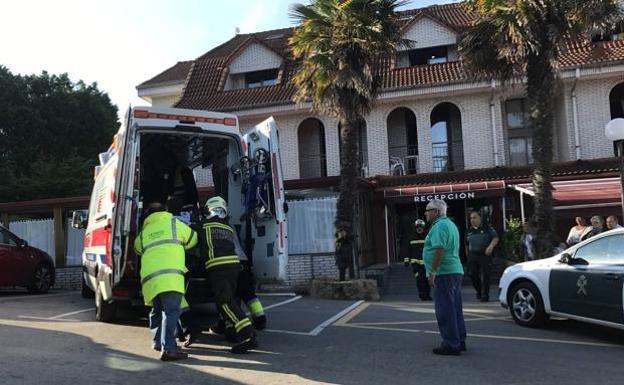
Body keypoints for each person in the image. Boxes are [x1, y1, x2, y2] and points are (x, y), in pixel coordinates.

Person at [134, 202, 198, 361]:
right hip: (170, 277)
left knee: (156, 310)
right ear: (166, 211)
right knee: (171, 312)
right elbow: (193, 239)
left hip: (150, 280)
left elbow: (137, 249)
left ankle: (157, 342)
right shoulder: (175, 224)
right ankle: (169, 349)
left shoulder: (144, 232)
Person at [198, 196, 258, 354]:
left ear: (208, 210)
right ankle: (232, 331)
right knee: (231, 300)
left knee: (224, 303)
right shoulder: (228, 227)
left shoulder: (203, 225)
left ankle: (248, 335)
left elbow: (191, 242)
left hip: (218, 267)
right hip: (233, 267)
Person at [423, 199, 466, 356]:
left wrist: (433, 271)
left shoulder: (440, 226)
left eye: (428, 210)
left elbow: (439, 250)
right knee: (455, 308)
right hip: (454, 270)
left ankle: (450, 344)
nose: (426, 213)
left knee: (445, 310)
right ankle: (459, 340)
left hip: (444, 272)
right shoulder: (450, 224)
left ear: (437, 212)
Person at [465, 211, 499, 302]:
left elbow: (495, 238)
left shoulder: (487, 228)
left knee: (485, 276)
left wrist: (491, 246)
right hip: (473, 255)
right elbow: (466, 244)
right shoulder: (469, 230)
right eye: (471, 218)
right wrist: (468, 255)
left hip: (485, 255)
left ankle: (485, 295)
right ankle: (479, 291)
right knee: (472, 274)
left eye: (474, 217)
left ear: (480, 218)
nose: (472, 220)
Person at [405, 219, 431, 301]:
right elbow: (407, 250)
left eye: (421, 227)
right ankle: (422, 296)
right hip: (416, 264)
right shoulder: (411, 238)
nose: (419, 229)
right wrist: (406, 260)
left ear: (424, 228)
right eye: (418, 227)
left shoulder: (428, 237)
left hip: (427, 264)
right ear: (415, 228)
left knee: (427, 280)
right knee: (420, 280)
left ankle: (427, 295)